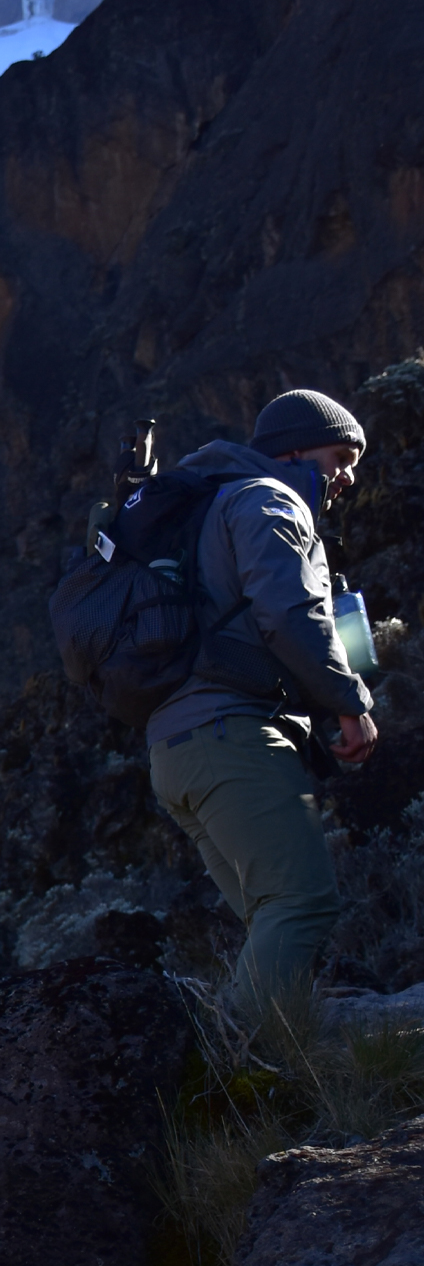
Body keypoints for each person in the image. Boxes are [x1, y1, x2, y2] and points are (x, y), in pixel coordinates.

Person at [146, 389, 377, 1023]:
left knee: (271, 912)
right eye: (340, 456)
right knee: (300, 905)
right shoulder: (269, 501)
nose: (347, 476)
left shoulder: (212, 505)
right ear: (296, 449)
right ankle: (233, 1073)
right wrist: (350, 704)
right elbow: (289, 617)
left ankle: (254, 1078)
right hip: (232, 738)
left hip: (177, 750)